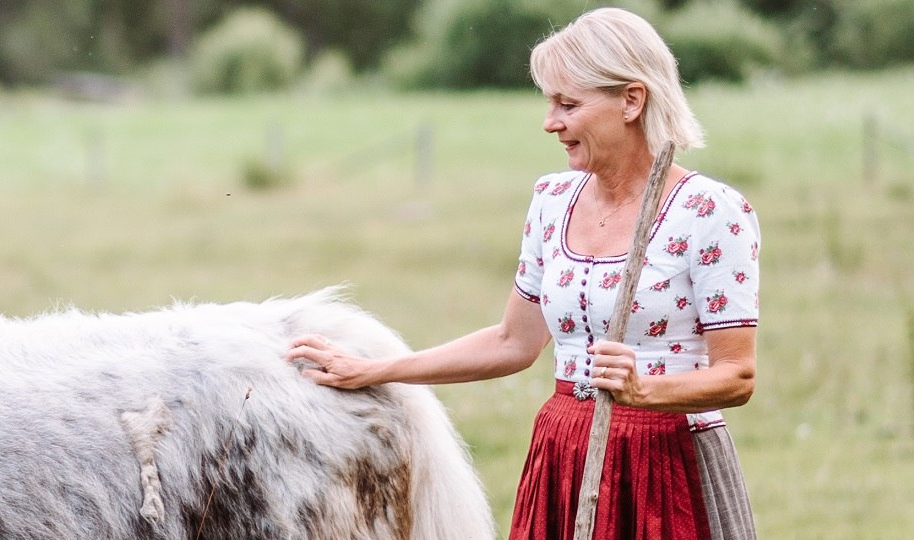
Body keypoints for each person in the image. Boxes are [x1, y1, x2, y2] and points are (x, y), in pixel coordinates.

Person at [284, 7, 758, 540]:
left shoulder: (711, 212)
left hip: (665, 465)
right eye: (549, 102)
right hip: (564, 450)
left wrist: (643, 392)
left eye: (568, 104)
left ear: (631, 99)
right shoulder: (553, 199)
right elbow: (513, 341)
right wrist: (375, 370)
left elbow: (737, 376)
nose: (550, 121)